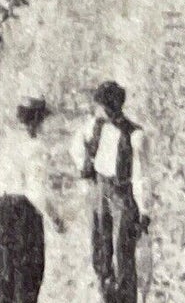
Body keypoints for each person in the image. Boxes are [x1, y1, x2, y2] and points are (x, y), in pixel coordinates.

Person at [71, 80, 150, 303]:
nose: (105, 110)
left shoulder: (135, 135)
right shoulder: (95, 126)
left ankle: (125, 298)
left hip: (123, 194)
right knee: (101, 249)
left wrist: (144, 209)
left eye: (108, 105)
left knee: (123, 252)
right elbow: (76, 145)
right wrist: (84, 166)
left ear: (117, 106)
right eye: (104, 105)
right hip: (100, 191)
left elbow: (140, 175)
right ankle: (106, 294)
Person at [0, 95, 63, 303]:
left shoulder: (8, 142)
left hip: (6, 209)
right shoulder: (36, 147)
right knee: (28, 276)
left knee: (7, 275)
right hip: (26, 213)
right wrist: (55, 218)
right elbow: (36, 191)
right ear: (36, 120)